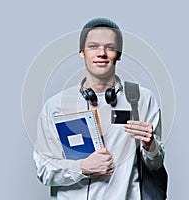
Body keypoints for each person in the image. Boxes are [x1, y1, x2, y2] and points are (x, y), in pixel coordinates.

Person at [33, 18, 165, 200]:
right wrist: (82, 167)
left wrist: (151, 145)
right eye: (93, 46)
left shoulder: (142, 99)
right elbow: (44, 170)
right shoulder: (56, 106)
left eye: (109, 47)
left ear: (118, 54)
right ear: (82, 52)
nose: (101, 53)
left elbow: (155, 164)